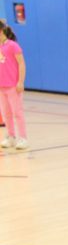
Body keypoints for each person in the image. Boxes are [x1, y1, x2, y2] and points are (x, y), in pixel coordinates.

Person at [0, 21, 28, 150]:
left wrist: (20, 81)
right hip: (2, 86)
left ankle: (23, 138)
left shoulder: (13, 46)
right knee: (6, 113)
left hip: (13, 86)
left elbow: (21, 64)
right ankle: (11, 137)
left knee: (17, 112)